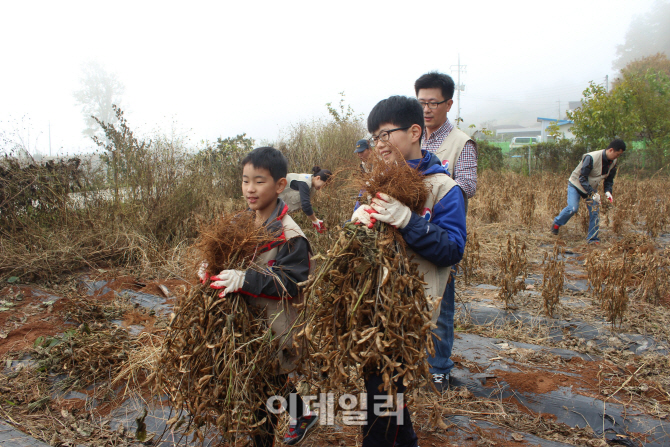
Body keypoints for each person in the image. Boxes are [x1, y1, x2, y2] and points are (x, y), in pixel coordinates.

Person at [351, 96, 467, 446]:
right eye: (374, 137)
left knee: (382, 397)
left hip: (409, 312)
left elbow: (451, 249)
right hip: (372, 306)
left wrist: (408, 221)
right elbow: (357, 245)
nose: (379, 145)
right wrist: (354, 224)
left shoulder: (443, 188)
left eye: (386, 134)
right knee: (384, 390)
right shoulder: (373, 185)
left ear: (415, 132)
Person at [201, 147, 318, 446]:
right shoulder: (241, 222)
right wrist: (209, 266)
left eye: (259, 181)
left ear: (280, 185)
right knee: (269, 384)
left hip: (274, 327)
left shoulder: (290, 235)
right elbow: (223, 256)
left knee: (264, 395)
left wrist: (245, 279)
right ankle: (302, 414)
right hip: (246, 325)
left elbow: (292, 283)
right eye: (245, 180)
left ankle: (266, 438)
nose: (250, 189)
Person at [414, 71, 478, 212]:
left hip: (442, 225)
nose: (426, 110)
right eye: (421, 103)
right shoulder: (412, 137)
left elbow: (467, 187)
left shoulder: (462, 143)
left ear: (448, 105)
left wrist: (422, 190)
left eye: (433, 104)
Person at [551, 139, 626, 243]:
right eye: (617, 154)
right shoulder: (591, 157)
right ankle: (557, 223)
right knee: (572, 208)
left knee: (594, 212)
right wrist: (593, 193)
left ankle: (592, 238)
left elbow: (609, 180)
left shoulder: (613, 162)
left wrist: (608, 191)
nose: (617, 157)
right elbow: (582, 178)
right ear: (611, 150)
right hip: (576, 184)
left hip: (590, 187)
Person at [279, 166, 332, 233]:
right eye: (324, 184)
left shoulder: (312, 187)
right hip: (271, 204)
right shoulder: (304, 182)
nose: (323, 187)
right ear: (318, 178)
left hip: (279, 211)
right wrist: (315, 220)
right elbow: (306, 205)